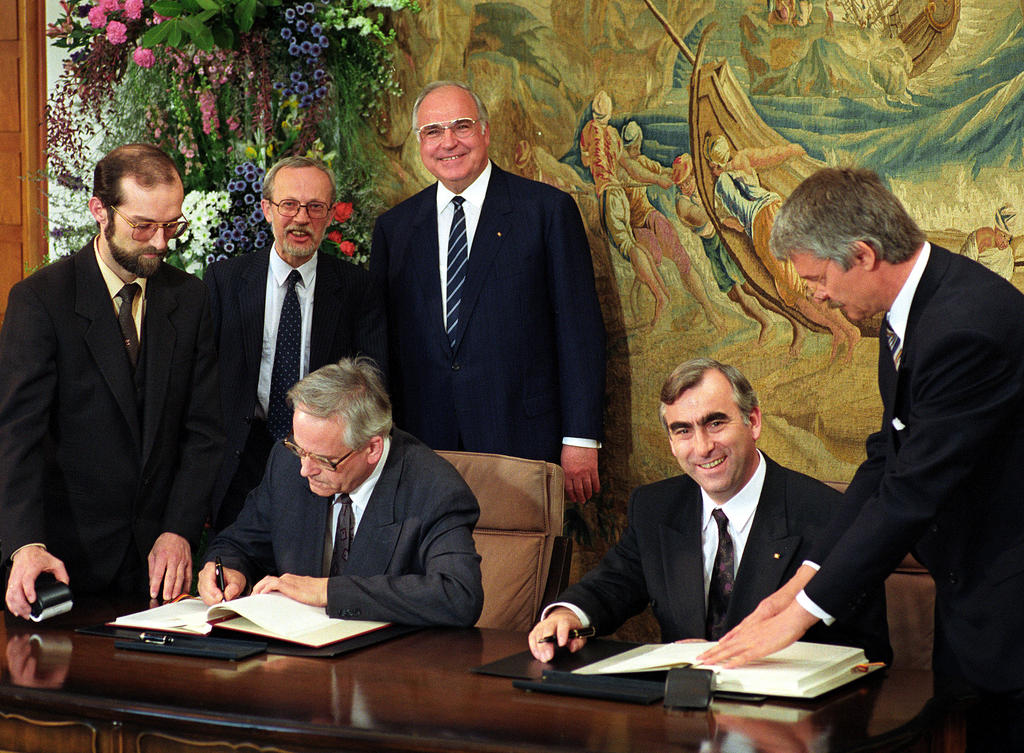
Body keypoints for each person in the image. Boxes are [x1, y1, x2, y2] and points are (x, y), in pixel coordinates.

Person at [701, 167, 1024, 750]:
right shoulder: (912, 312)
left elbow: (912, 492)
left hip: (1009, 604)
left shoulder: (963, 327)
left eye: (819, 278)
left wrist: (802, 615)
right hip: (975, 598)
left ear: (864, 254)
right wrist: (803, 577)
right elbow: (885, 459)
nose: (815, 294)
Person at [528, 358, 890, 665]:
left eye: (715, 423)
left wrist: (722, 655)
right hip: (683, 721)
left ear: (754, 422)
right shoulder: (655, 508)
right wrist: (567, 615)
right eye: (683, 430)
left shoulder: (827, 514)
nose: (702, 447)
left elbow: (865, 652)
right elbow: (612, 585)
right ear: (671, 443)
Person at [0, 143, 223, 617]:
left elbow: (205, 431)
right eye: (143, 226)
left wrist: (180, 529)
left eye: (172, 225)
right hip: (60, 564)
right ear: (99, 210)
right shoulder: (41, 301)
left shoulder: (191, 298)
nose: (160, 243)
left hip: (157, 569)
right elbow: (16, 435)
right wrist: (24, 545)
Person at [370, 80, 605, 504]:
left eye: (461, 126)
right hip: (424, 447)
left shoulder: (546, 212)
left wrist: (581, 439)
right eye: (433, 131)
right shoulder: (395, 229)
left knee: (521, 568)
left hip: (523, 440)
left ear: (485, 132)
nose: (449, 143)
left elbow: (579, 333)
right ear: (420, 142)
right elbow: (384, 348)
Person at [198, 357, 483, 627]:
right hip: (296, 655)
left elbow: (458, 595)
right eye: (299, 449)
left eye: (323, 460)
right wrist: (228, 570)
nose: (304, 469)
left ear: (372, 449)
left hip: (388, 664)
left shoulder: (433, 487)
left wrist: (329, 591)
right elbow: (237, 545)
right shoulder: (287, 463)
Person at [205, 156, 387, 530]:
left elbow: (373, 385)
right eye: (289, 205)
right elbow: (200, 378)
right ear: (267, 209)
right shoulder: (225, 280)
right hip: (242, 456)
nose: (301, 219)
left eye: (315, 207)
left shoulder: (357, 287)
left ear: (332, 214)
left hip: (324, 461)